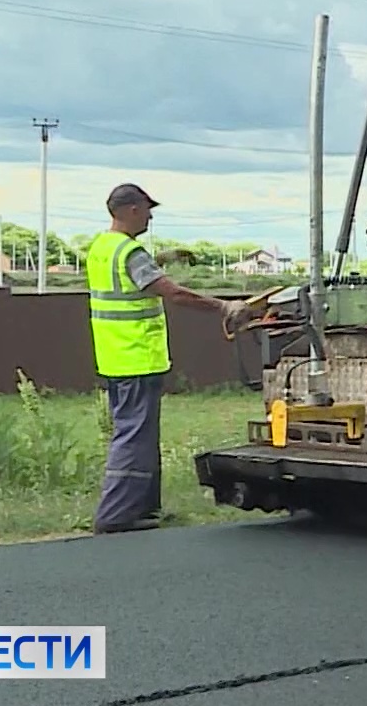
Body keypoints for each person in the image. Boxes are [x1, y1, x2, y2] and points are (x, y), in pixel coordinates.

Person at [86, 183, 253, 534]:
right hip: (136, 358)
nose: (150, 216)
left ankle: (144, 510)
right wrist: (224, 306)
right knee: (132, 435)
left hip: (115, 357)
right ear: (132, 209)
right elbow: (173, 293)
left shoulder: (101, 248)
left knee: (140, 434)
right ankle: (114, 515)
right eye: (148, 209)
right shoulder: (129, 253)